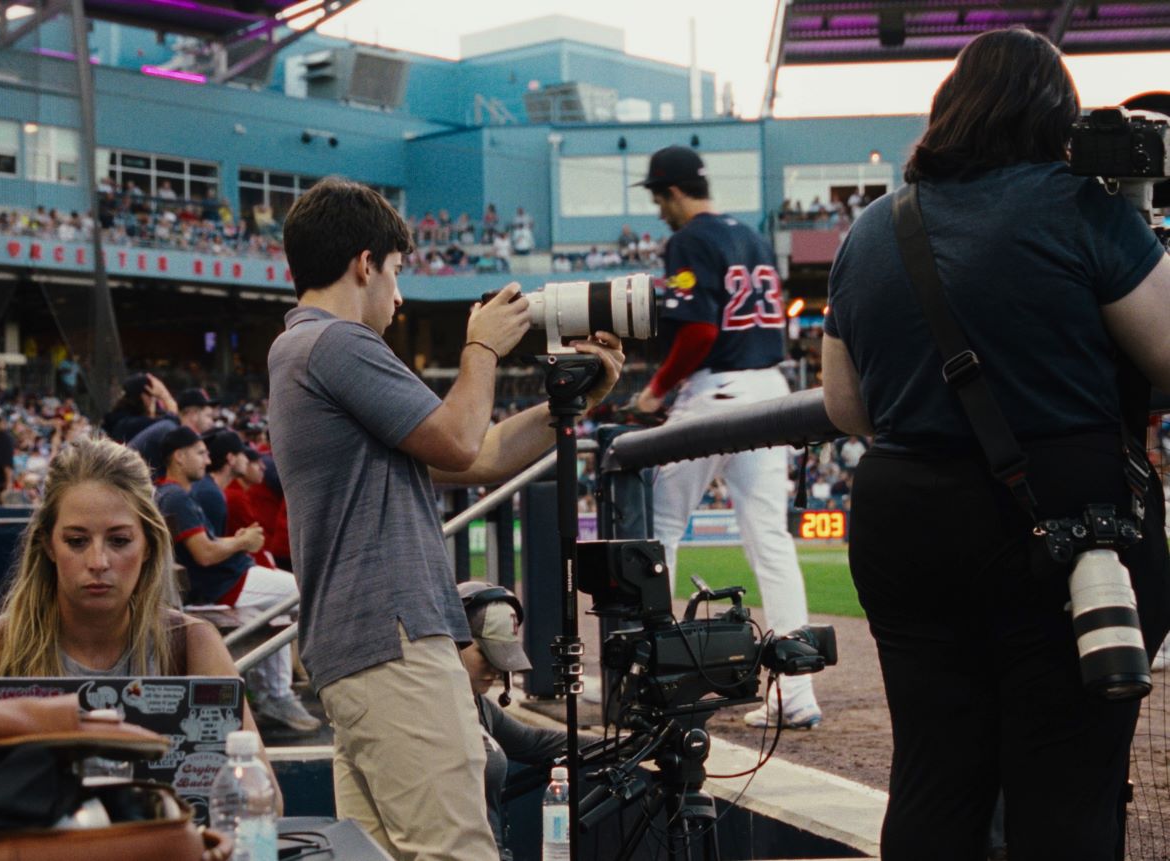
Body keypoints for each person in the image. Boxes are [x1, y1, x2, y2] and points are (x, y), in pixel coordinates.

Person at [820, 29, 1170, 861]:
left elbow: (845, 406)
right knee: (1065, 784)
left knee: (935, 778)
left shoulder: (871, 228)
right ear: (1059, 116)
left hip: (904, 515)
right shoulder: (1082, 206)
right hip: (1065, 523)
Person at [267, 177, 624, 860]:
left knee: (384, 854)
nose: (400, 300)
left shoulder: (302, 352)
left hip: (357, 645)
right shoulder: (335, 343)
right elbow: (463, 438)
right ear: (364, 263)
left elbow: (480, 453)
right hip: (392, 636)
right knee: (456, 849)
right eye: (397, 273)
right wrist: (482, 347)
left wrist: (571, 403)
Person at [0, 436, 282, 812]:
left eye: (120, 540)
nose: (98, 561)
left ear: (148, 545)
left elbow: (266, 803)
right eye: (76, 541)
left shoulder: (192, 645)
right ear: (47, 544)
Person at [629, 145, 820, 731]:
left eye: (660, 196)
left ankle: (652, 680)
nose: (660, 208)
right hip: (770, 389)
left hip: (717, 393)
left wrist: (655, 391)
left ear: (673, 192)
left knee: (655, 530)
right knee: (769, 538)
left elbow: (700, 333)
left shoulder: (689, 239)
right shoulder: (754, 239)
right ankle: (797, 690)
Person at [153, 426, 320, 733]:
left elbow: (207, 546)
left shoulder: (174, 493)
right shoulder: (176, 496)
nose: (207, 460)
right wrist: (243, 542)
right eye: (200, 453)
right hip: (226, 584)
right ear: (179, 457)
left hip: (226, 579)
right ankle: (276, 694)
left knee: (274, 610)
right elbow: (204, 554)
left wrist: (237, 540)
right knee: (304, 591)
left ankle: (274, 693)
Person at [457, 582, 567, 861]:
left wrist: (627, 744)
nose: (496, 668)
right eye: (485, 654)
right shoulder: (429, 710)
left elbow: (536, 743)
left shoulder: (479, 706)